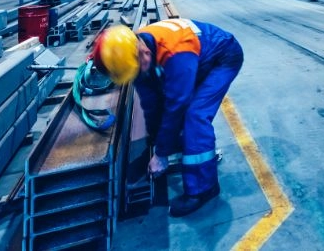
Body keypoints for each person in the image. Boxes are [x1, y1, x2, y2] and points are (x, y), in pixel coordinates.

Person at [92, 19, 243, 217]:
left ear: (142, 49)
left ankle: (204, 189)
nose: (141, 65)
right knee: (165, 101)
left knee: (194, 116)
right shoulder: (132, 53)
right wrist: (157, 146)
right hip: (198, 56)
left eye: (141, 61)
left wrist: (161, 155)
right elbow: (151, 103)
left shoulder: (176, 53)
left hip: (224, 57)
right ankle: (179, 146)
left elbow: (177, 105)